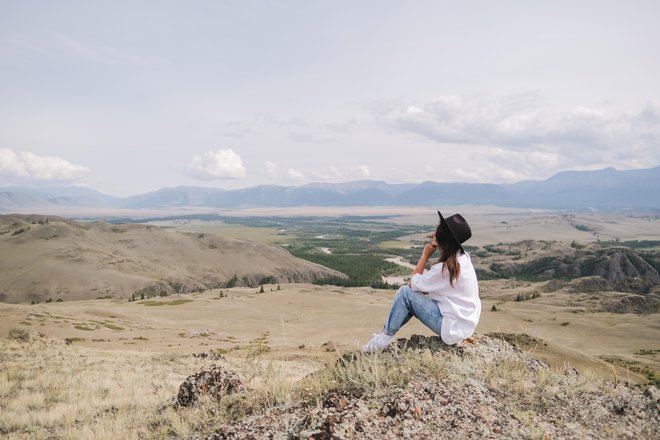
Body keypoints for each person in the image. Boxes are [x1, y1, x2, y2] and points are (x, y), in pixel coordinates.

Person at [363, 211, 481, 352]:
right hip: (464, 325)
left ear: (444, 238)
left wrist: (425, 256)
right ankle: (386, 335)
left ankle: (383, 339)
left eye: (438, 231)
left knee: (405, 293)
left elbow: (413, 283)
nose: (433, 234)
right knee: (412, 296)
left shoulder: (445, 268)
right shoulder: (463, 258)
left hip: (451, 329)